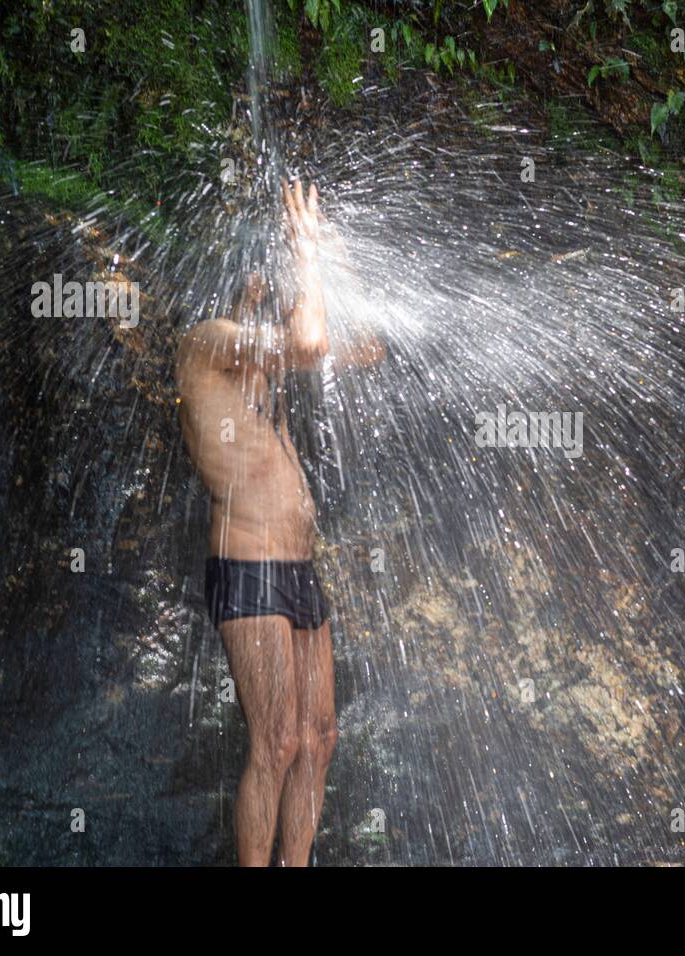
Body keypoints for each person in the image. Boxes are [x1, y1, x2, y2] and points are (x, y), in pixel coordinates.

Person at [176, 177, 381, 866]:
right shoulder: (208, 344)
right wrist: (306, 254)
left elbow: (368, 344)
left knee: (319, 737)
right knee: (277, 741)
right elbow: (312, 339)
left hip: (298, 570)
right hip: (249, 569)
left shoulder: (267, 370)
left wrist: (326, 251)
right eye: (265, 272)